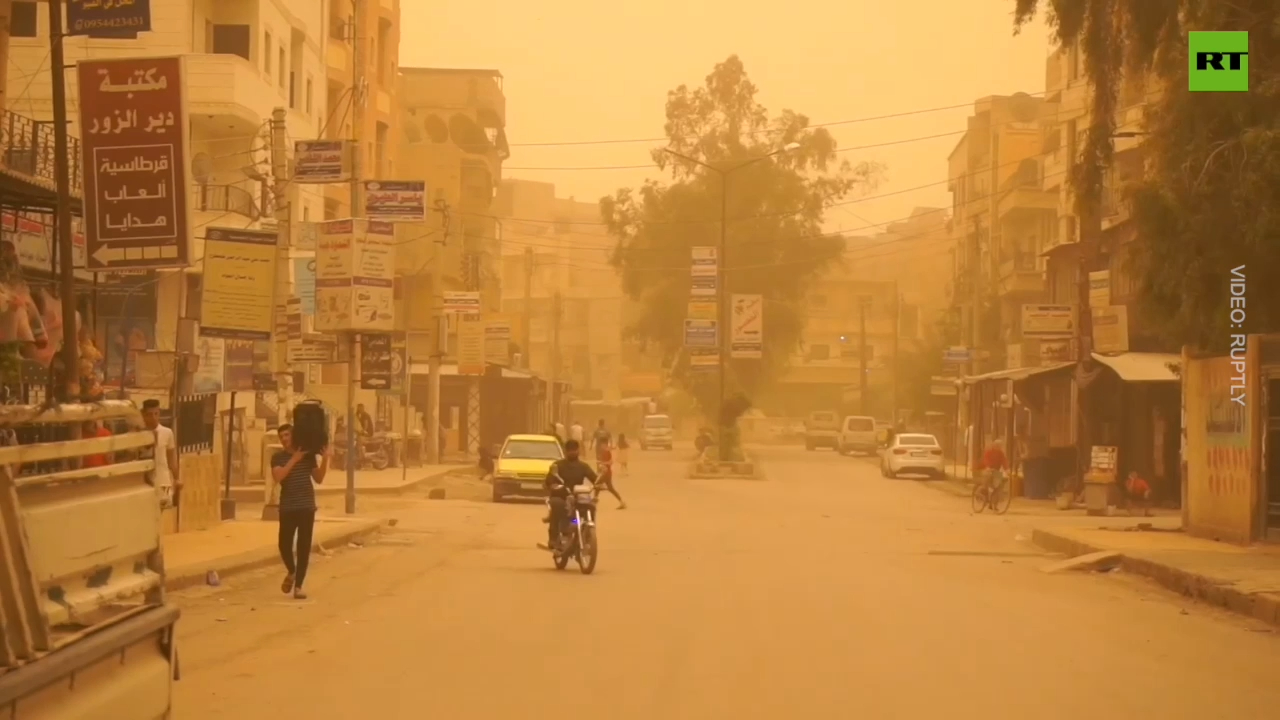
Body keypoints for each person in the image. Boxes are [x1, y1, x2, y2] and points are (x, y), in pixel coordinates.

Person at [271, 424, 330, 600]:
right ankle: (291, 570)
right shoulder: (277, 457)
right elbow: (278, 476)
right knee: (284, 544)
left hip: (306, 506)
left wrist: (326, 459)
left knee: (303, 547)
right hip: (288, 506)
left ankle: (298, 586)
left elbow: (318, 478)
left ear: (293, 436)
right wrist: (294, 459)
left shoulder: (308, 456)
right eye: (281, 436)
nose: (284, 439)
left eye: (287, 435)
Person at [538, 439, 598, 552]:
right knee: (557, 505)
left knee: (590, 506)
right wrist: (553, 486)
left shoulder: (583, 466)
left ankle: (586, 532)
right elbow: (549, 481)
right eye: (570, 450)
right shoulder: (557, 465)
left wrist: (599, 483)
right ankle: (554, 538)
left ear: (578, 451)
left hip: (577, 496)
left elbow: (594, 479)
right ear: (565, 451)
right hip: (561, 496)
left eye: (574, 450)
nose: (572, 452)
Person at [141, 399, 178, 507]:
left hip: (163, 481)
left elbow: (171, 458)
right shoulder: (138, 435)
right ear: (144, 415)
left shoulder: (167, 432)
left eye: (156, 414)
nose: (153, 417)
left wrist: (176, 478)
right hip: (145, 482)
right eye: (149, 414)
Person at [597, 445, 627, 510]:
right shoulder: (604, 452)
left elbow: (610, 462)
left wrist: (602, 463)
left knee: (597, 486)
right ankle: (622, 502)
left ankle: (594, 501)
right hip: (605, 472)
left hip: (606, 473)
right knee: (608, 488)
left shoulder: (607, 452)